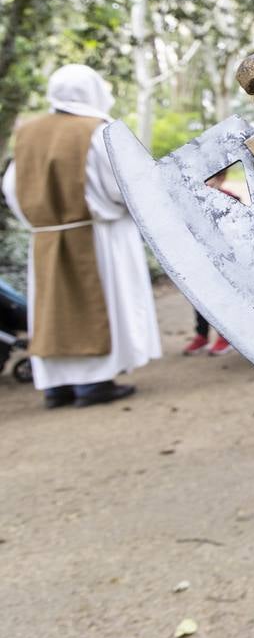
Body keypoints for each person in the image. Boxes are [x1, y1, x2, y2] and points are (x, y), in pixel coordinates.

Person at [1, 65, 161, 408]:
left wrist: (41, 220)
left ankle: (57, 387)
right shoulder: (94, 131)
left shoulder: (28, 132)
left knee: (53, 312)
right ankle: (94, 384)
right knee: (98, 302)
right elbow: (122, 187)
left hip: (45, 237)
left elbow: (12, 188)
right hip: (97, 235)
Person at [182, 169, 235, 355]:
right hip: (198, 256)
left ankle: (226, 336)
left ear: (222, 178)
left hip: (222, 259)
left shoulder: (229, 199)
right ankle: (202, 335)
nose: (207, 183)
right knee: (199, 297)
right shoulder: (190, 201)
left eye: (211, 178)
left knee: (223, 297)